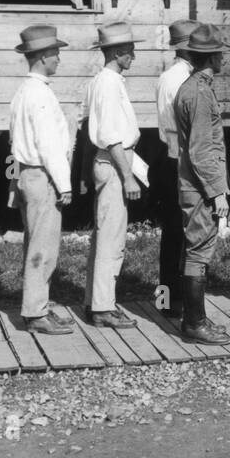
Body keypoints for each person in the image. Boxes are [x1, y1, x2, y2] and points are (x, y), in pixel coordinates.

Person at [9, 25, 75, 336]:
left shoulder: (25, 91)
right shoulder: (40, 95)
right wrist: (64, 184)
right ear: (44, 56)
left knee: (37, 242)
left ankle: (39, 306)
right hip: (42, 175)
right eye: (56, 54)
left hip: (27, 173)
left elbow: (15, 141)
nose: (59, 59)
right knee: (43, 247)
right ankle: (35, 313)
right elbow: (49, 145)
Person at [172, 25, 230, 345]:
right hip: (198, 186)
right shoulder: (197, 92)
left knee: (197, 250)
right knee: (198, 253)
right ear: (212, 57)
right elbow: (200, 151)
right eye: (220, 52)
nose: (223, 57)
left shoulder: (197, 86)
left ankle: (196, 317)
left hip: (195, 184)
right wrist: (217, 191)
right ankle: (193, 324)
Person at [82, 21, 143, 330]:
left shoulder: (107, 81)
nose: (134, 56)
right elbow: (110, 135)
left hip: (113, 161)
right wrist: (128, 176)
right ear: (118, 53)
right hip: (114, 162)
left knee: (106, 233)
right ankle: (104, 307)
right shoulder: (107, 83)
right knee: (111, 237)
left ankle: (97, 300)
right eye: (130, 51)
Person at [154, 19, 196, 317]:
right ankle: (172, 300)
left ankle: (169, 299)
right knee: (178, 233)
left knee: (173, 232)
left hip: (171, 154)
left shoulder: (170, 75)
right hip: (180, 157)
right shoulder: (180, 79)